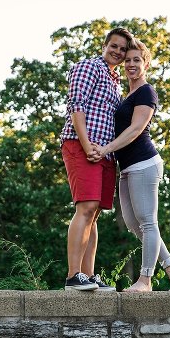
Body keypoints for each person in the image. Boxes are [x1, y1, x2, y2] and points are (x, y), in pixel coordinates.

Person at [88, 39, 170, 292]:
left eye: (136, 60)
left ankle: (145, 280)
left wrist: (106, 149)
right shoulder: (126, 94)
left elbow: (136, 129)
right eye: (127, 59)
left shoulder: (146, 92)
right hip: (127, 168)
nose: (130, 64)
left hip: (144, 163)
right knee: (133, 224)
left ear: (146, 63)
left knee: (148, 222)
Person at [60, 27, 134, 291]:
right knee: (86, 207)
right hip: (81, 146)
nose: (118, 52)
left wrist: (105, 150)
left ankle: (88, 276)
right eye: (113, 46)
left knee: (95, 214)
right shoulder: (88, 67)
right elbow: (76, 106)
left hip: (104, 152)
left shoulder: (114, 81)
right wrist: (86, 143)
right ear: (104, 45)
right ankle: (73, 276)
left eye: (123, 49)